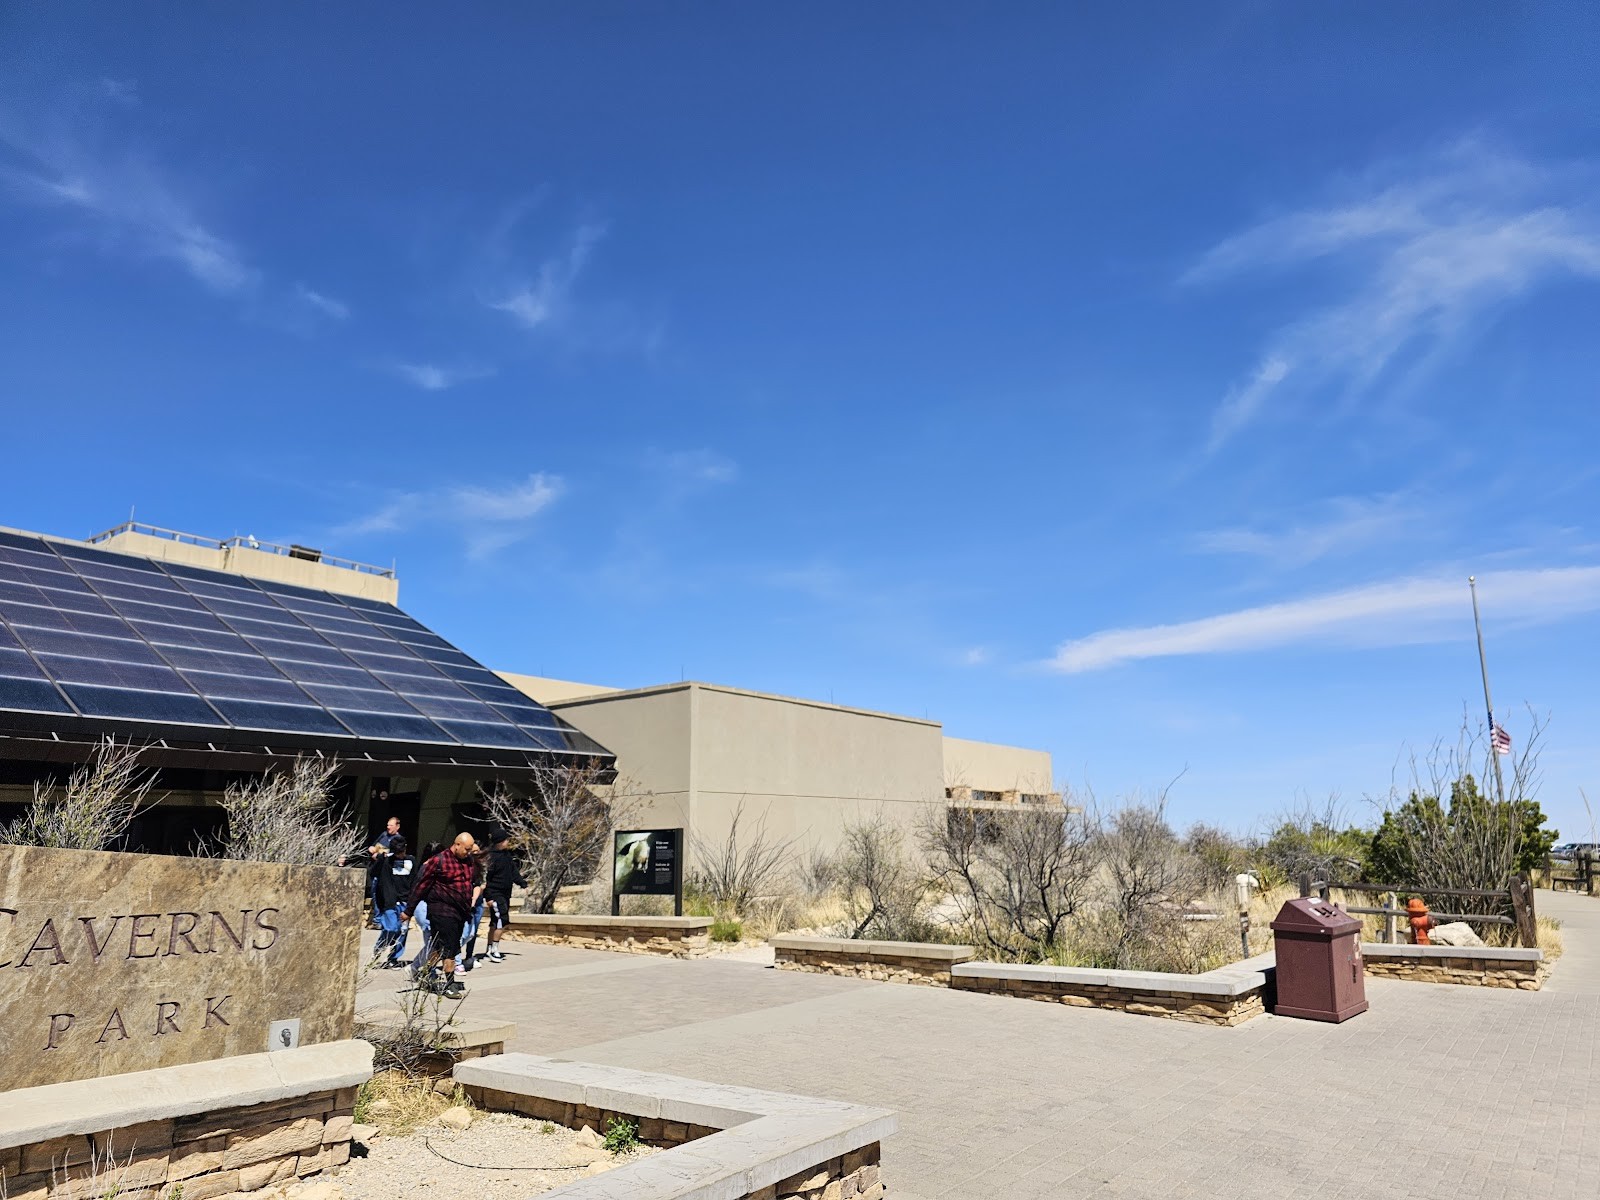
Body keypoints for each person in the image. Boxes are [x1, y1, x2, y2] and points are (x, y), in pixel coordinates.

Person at [403, 833, 477, 998]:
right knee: (450, 948)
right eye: (466, 849)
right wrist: (409, 910)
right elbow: (420, 885)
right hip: (441, 910)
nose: (468, 852)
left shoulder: (468, 861)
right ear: (456, 844)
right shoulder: (438, 861)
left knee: (439, 946)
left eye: (470, 849)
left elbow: (470, 883)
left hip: (460, 911)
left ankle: (424, 971)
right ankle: (449, 984)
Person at [480, 828, 527, 964]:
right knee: (502, 920)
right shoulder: (491, 857)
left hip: (505, 893)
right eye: (506, 840)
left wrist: (523, 884)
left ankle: (489, 949)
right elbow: (486, 879)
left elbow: (513, 873)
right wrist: (488, 897)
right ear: (499, 842)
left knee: (495, 921)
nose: (507, 842)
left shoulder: (506, 856)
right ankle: (494, 949)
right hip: (495, 894)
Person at [370, 837, 414, 968]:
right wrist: (381, 858)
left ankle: (394, 958)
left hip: (405, 901)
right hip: (390, 901)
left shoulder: (411, 860)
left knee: (403, 931)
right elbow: (373, 873)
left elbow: (415, 879)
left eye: (401, 851)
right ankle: (378, 950)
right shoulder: (386, 861)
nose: (399, 854)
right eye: (397, 852)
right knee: (391, 928)